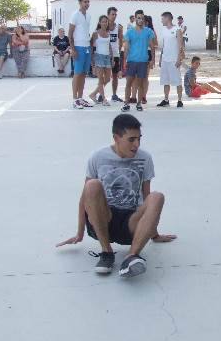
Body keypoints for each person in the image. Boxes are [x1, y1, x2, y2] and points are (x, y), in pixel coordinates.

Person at [55, 113, 177, 277]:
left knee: (157, 196)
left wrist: (153, 233)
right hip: (103, 218)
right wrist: (80, 233)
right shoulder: (97, 157)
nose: (137, 144)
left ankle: (131, 257)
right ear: (116, 138)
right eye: (131, 139)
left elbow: (147, 198)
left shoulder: (145, 158)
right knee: (92, 185)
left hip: (130, 222)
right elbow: (84, 199)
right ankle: (107, 253)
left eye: (139, 139)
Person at [121, 10, 155, 112]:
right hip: (131, 61)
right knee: (129, 84)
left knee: (140, 84)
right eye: (138, 18)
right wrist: (124, 61)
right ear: (135, 18)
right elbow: (126, 47)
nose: (140, 20)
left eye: (142, 18)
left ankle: (139, 103)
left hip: (143, 62)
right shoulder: (129, 32)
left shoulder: (148, 31)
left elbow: (152, 46)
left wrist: (153, 59)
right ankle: (126, 103)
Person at [156, 11, 185, 108]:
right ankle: (166, 100)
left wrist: (179, 59)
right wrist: (160, 58)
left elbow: (181, 46)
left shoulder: (177, 29)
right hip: (165, 59)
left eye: (162, 19)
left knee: (177, 81)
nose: (161, 21)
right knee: (165, 81)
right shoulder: (164, 30)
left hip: (174, 60)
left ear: (167, 18)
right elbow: (164, 46)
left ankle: (180, 100)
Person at [69, 0, 92, 109]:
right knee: (77, 74)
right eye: (84, 2)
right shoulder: (75, 15)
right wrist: (73, 49)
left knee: (83, 74)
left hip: (87, 47)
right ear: (80, 3)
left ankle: (80, 98)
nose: (87, 4)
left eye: (88, 2)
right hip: (78, 47)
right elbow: (70, 33)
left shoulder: (88, 16)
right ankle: (74, 99)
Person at [89, 15, 113, 106]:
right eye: (103, 21)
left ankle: (93, 94)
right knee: (100, 79)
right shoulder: (96, 33)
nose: (105, 23)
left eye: (106, 22)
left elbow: (109, 45)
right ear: (99, 22)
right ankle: (104, 99)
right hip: (98, 57)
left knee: (107, 79)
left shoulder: (108, 32)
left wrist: (112, 57)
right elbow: (91, 47)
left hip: (107, 57)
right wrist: (92, 63)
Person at [106, 7, 124, 103]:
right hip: (105, 54)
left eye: (115, 14)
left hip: (115, 54)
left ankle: (114, 94)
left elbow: (121, 40)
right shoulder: (104, 26)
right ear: (108, 15)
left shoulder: (119, 27)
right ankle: (101, 94)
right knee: (105, 76)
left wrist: (118, 51)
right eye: (112, 14)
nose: (114, 16)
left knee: (115, 75)